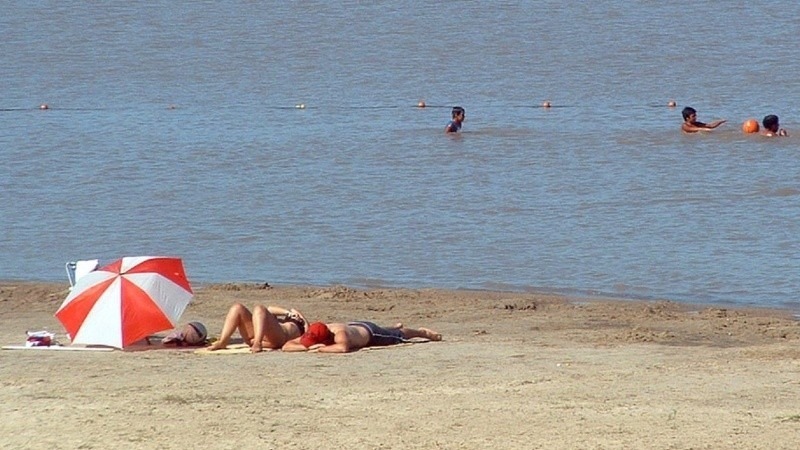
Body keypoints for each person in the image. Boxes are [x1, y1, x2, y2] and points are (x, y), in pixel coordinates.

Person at [282, 320, 442, 353]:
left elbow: (343, 348)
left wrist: (320, 350)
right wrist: (307, 347)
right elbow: (286, 345)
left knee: (397, 336)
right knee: (389, 330)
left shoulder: (339, 334)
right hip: (355, 325)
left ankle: (420, 332)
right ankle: (394, 326)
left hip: (369, 333)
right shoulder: (315, 331)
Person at [206, 303, 307, 353]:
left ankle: (257, 343)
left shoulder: (301, 323)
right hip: (260, 335)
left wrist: (298, 316)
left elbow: (309, 331)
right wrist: (288, 312)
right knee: (237, 307)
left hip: (279, 338)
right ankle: (223, 341)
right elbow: (270, 309)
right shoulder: (279, 321)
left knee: (259, 308)